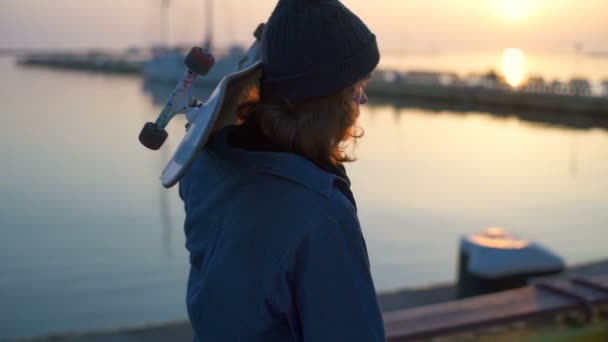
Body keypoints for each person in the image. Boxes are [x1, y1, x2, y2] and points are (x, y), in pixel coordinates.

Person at [178, 0, 384, 340]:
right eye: (355, 89)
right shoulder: (321, 216)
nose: (361, 101)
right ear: (326, 103)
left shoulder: (206, 167)